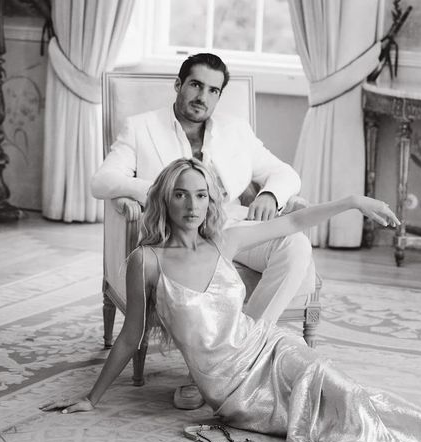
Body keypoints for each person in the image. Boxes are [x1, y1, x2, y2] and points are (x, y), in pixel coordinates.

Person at [43, 158, 421, 442]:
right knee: (350, 415)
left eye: (201, 195)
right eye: (180, 194)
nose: (191, 204)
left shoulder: (223, 240)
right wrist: (92, 399)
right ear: (165, 198)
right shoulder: (148, 261)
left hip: (270, 349)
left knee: (352, 395)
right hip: (236, 395)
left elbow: (291, 227)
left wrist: (351, 202)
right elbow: (130, 335)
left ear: (211, 201)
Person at [90, 52, 313, 409]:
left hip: (229, 227)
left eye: (213, 90)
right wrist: (159, 190)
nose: (202, 97)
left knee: (297, 245)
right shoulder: (141, 126)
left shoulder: (236, 130)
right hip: (181, 236)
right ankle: (218, 369)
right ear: (178, 85)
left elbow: (286, 173)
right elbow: (102, 181)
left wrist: (270, 194)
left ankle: (238, 361)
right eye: (195, 85)